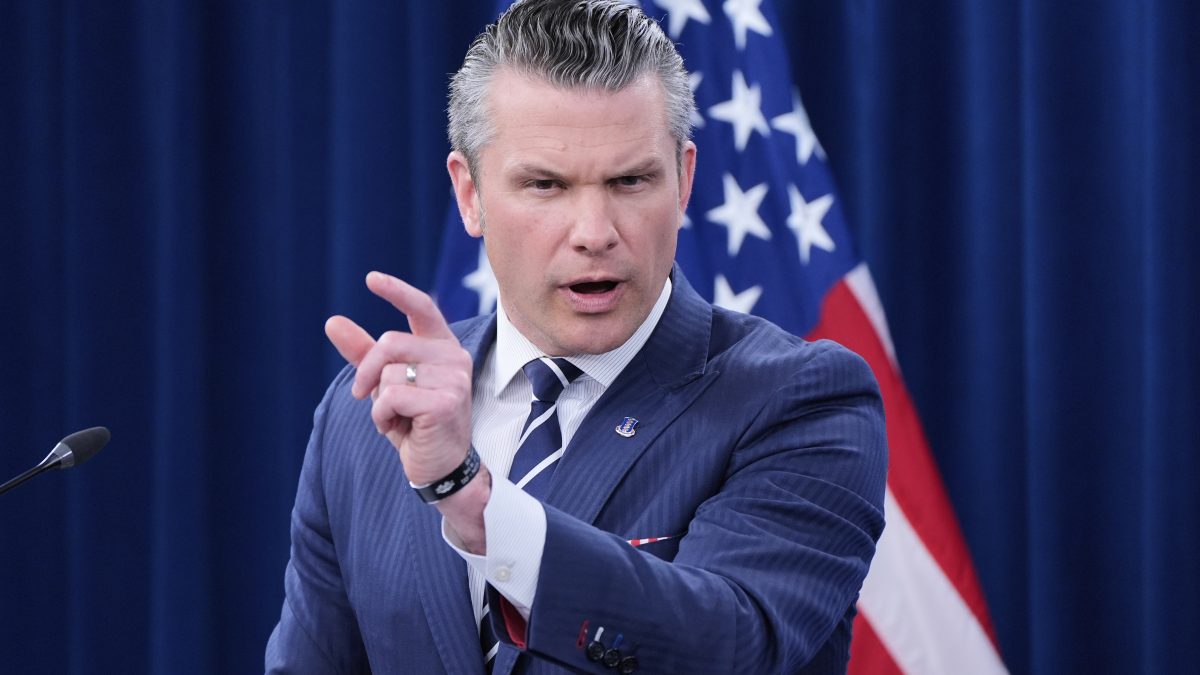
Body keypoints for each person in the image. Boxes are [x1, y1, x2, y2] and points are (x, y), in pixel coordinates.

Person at [265, 1, 886, 673]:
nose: (594, 230)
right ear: (469, 193)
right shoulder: (365, 420)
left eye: (630, 180)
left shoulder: (802, 398)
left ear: (684, 180)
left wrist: (472, 500)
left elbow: (733, 648)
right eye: (546, 185)